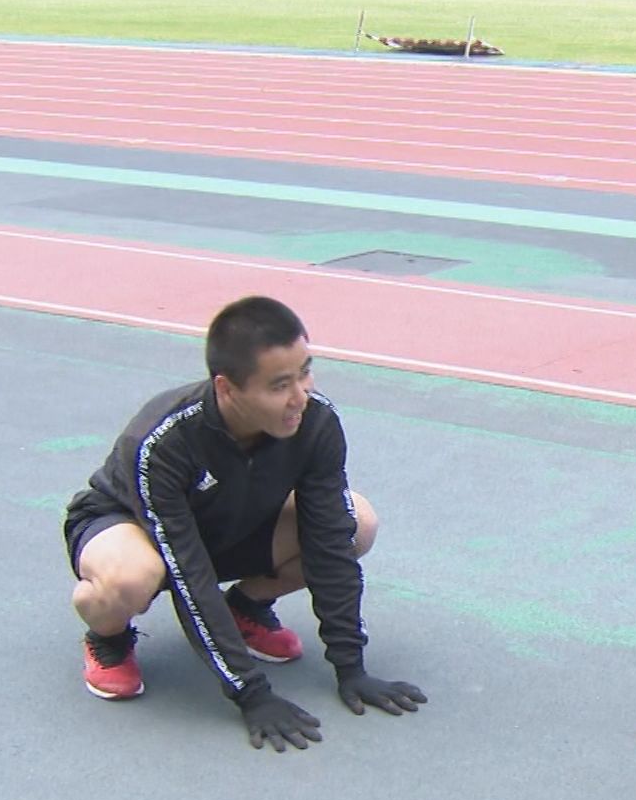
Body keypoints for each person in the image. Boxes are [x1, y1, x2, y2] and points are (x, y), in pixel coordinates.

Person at [63, 295, 425, 751]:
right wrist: (251, 692)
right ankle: (108, 638)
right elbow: (187, 573)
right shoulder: (164, 441)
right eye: (279, 386)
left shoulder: (316, 422)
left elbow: (330, 542)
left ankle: (245, 609)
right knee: (131, 579)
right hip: (134, 530)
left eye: (305, 372)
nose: (300, 396)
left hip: (232, 524)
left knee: (356, 522)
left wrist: (351, 666)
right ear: (227, 388)